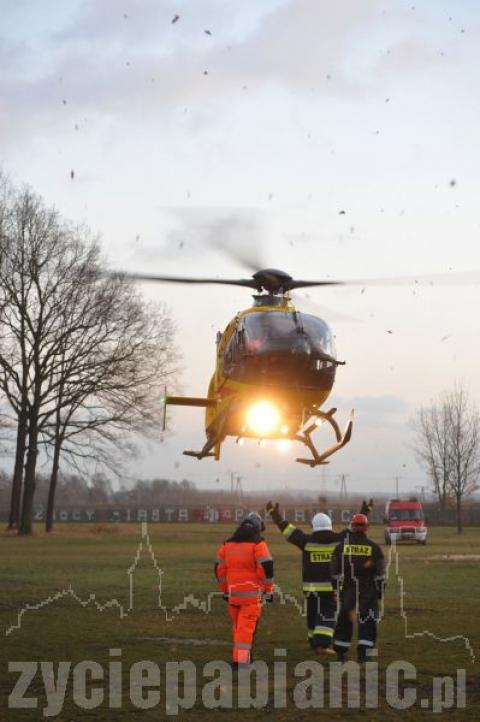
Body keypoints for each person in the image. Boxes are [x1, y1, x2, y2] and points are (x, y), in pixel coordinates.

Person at [266, 502, 342, 656]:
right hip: (329, 588)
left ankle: (313, 641)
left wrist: (274, 514)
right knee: (327, 615)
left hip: (311, 588)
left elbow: (287, 530)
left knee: (313, 614)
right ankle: (322, 645)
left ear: (314, 525)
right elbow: (356, 529)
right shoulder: (338, 540)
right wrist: (365, 511)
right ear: (330, 525)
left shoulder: (306, 541)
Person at [214, 511, 274, 668]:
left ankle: (241, 659)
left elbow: (219, 570)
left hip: (233, 596)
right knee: (245, 631)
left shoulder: (227, 545)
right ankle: (241, 662)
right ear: (257, 528)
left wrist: (225, 590)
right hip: (252, 598)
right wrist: (268, 591)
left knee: (239, 629)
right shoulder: (259, 545)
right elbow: (266, 570)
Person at [331, 513, 385, 663]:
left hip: (348, 588)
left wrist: (335, 590)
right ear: (367, 528)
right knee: (367, 619)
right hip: (368, 589)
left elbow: (334, 572)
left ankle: (341, 650)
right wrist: (380, 591)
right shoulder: (374, 548)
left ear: (352, 527)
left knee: (344, 618)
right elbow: (380, 574)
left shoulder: (341, 548)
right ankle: (364, 652)